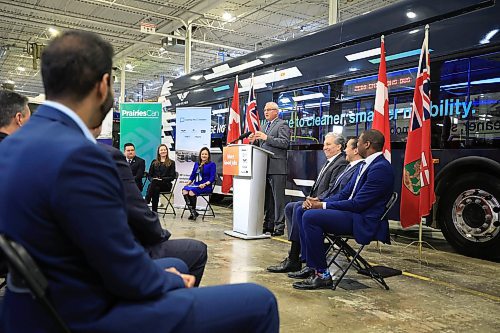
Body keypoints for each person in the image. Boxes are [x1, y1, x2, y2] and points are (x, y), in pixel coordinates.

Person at [0, 30, 278, 333]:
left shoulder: (10, 148)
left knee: (181, 263)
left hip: (32, 305)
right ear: (104, 84)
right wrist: (169, 279)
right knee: (259, 299)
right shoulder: (82, 156)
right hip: (85, 314)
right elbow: (123, 271)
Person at [89, 126, 208, 287]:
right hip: (116, 255)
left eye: (132, 150)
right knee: (197, 250)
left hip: (163, 184)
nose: (164, 152)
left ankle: (151, 203)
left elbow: (165, 176)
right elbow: (149, 177)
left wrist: (159, 179)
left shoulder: (161, 162)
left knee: (156, 186)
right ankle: (151, 206)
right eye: (128, 150)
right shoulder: (113, 157)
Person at [293, 129, 394, 290]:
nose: (356, 144)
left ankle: (322, 275)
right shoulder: (366, 165)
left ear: (367, 145)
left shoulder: (380, 168)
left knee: (311, 217)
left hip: (362, 219)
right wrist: (319, 200)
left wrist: (323, 206)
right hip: (351, 213)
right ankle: (312, 266)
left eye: (359, 142)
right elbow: (345, 193)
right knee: (303, 210)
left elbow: (358, 204)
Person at [267, 133, 348, 273]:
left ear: (339, 146)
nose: (324, 147)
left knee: (299, 208)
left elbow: (333, 189)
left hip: (325, 203)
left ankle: (296, 257)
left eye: (328, 144)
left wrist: (317, 200)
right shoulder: (329, 161)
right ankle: (298, 250)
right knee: (289, 207)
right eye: (324, 144)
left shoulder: (340, 163)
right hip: (316, 199)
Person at [249, 101, 290, 236]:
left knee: (278, 199)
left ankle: (279, 226)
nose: (265, 112)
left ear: (276, 112)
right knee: (268, 199)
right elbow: (263, 145)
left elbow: (285, 143)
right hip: (264, 166)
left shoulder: (282, 124)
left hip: (277, 167)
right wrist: (254, 139)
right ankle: (268, 224)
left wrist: (266, 137)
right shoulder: (264, 126)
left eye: (269, 110)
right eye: (265, 110)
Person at [182, 147, 216, 220]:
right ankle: (193, 212)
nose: (204, 155)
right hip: (196, 184)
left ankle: (193, 213)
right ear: (200, 155)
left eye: (206, 154)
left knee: (191, 192)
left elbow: (212, 178)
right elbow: (193, 175)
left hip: (206, 186)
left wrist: (205, 184)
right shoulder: (196, 164)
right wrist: (188, 183)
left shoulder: (212, 164)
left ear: (208, 156)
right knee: (184, 190)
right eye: (202, 154)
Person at [146, 144, 176, 212]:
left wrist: (161, 179)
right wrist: (153, 180)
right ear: (158, 152)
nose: (163, 151)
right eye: (161, 150)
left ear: (167, 151)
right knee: (155, 188)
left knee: (154, 182)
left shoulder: (171, 163)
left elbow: (172, 177)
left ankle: (147, 200)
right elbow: (150, 175)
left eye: (164, 150)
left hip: (166, 185)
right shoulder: (154, 162)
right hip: (155, 185)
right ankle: (154, 211)